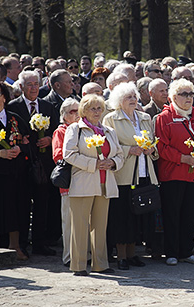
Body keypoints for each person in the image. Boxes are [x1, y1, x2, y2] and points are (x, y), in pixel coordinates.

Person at [63, 94, 124, 276]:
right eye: (92, 108)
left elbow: (120, 155)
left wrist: (112, 163)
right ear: (83, 110)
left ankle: (100, 264)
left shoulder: (109, 131)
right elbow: (69, 154)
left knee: (100, 225)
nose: (97, 112)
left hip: (105, 183)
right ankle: (79, 265)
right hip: (83, 183)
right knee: (80, 226)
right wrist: (93, 164)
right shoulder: (75, 129)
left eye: (99, 108)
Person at [155, 78, 194, 266]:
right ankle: (171, 252)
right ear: (173, 97)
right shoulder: (164, 118)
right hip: (172, 174)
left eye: (191, 94)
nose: (189, 98)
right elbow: (161, 147)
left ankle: (187, 251)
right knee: (172, 214)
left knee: (190, 214)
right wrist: (183, 158)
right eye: (184, 94)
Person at [103, 82, 159, 270]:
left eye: (134, 96)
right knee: (122, 216)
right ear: (119, 101)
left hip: (144, 172)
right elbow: (109, 146)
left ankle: (133, 253)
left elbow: (153, 142)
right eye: (128, 97)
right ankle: (121, 256)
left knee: (138, 216)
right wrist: (130, 149)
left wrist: (151, 148)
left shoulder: (144, 117)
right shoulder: (111, 119)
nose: (133, 100)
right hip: (123, 174)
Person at [7, 70, 60, 257]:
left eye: (36, 84)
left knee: (42, 204)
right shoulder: (13, 106)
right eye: (29, 84)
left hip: (43, 165)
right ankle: (21, 243)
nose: (33, 88)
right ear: (21, 87)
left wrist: (49, 138)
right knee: (21, 204)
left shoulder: (47, 105)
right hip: (21, 165)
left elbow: (57, 129)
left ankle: (40, 242)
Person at [0, 81, 30, 261]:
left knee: (16, 208)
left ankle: (15, 246)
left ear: (4, 96)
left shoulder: (14, 118)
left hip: (16, 173)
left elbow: (27, 141)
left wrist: (19, 149)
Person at [52, 98, 80, 266]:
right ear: (64, 115)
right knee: (69, 221)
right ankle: (69, 256)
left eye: (78, 110)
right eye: (72, 111)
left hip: (85, 181)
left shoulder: (83, 129)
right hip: (69, 182)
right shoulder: (61, 131)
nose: (76, 114)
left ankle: (84, 254)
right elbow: (58, 156)